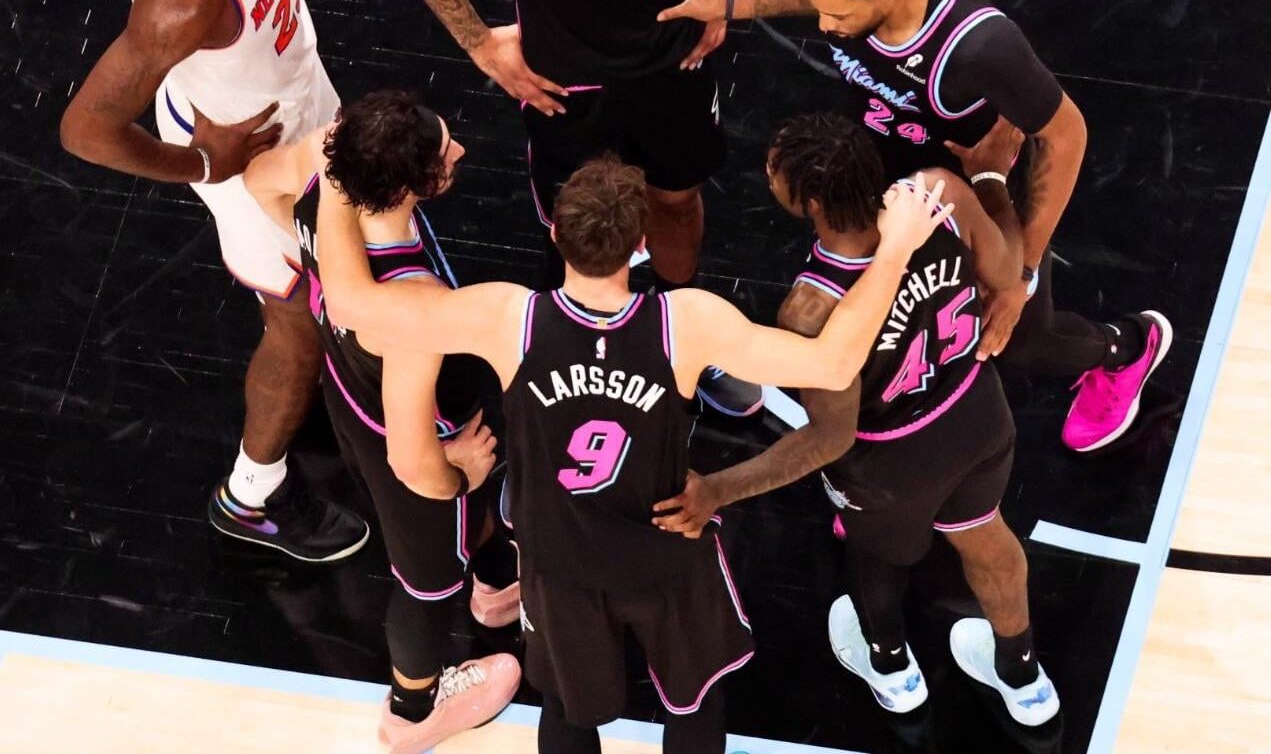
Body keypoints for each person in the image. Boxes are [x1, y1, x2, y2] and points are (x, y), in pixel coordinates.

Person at [314, 153, 953, 754]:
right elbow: (833, 362)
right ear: (641, 242)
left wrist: (337, 172)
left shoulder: (506, 316)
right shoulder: (686, 323)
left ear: (556, 234)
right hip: (664, 553)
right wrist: (896, 248)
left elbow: (349, 303)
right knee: (694, 704)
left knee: (567, 709)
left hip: (559, 559)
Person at [658, 0, 1171, 452]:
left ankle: (1128, 347)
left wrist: (1019, 275)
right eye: (824, 9)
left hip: (977, 192)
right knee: (891, 309)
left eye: (839, 15)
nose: (825, 25)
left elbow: (1067, 136)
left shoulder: (980, 47)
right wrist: (732, 5)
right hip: (901, 179)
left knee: (1016, 338)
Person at [382, 0, 789, 416]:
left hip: (671, 61)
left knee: (678, 201)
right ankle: (568, 346)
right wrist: (479, 45)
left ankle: (687, 328)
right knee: (575, 227)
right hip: (568, 86)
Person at [655, 112, 1060, 727]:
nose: (767, 170)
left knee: (876, 558)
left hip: (891, 460)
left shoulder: (810, 307)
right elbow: (1006, 273)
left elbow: (831, 436)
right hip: (975, 414)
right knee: (988, 536)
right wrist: (990, 180)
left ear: (811, 201)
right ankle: (1024, 677)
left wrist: (717, 489)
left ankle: (892, 670)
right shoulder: (938, 192)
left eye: (774, 168)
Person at [59, 0, 365, 559]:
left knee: (345, 251)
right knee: (295, 325)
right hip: (245, 160)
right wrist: (205, 162)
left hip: (297, 105)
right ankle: (253, 496)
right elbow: (85, 130)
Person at [243, 90, 522, 753]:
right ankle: (412, 711)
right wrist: (455, 474)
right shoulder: (411, 304)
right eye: (446, 153)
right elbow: (410, 462)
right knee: (427, 585)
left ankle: (496, 585)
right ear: (406, 187)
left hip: (352, 394)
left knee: (472, 518)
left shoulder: (322, 166)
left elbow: (256, 181)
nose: (461, 150)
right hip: (414, 439)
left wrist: (306, 255)